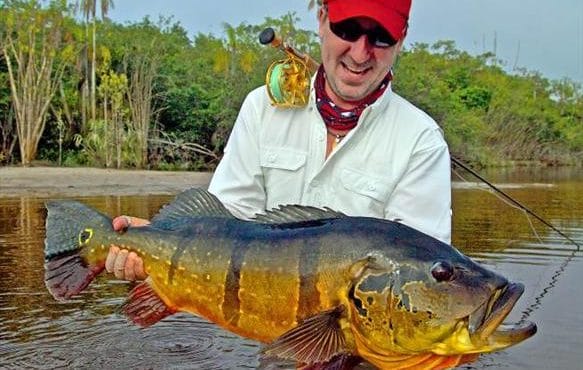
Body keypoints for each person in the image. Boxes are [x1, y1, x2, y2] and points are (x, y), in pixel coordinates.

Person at [105, 0, 452, 281]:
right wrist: (158, 239)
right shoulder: (261, 108)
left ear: (402, 38)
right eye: (347, 30)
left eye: (380, 37)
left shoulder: (422, 142)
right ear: (321, 18)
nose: (360, 54)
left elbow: (423, 274)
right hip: (277, 332)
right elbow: (226, 218)